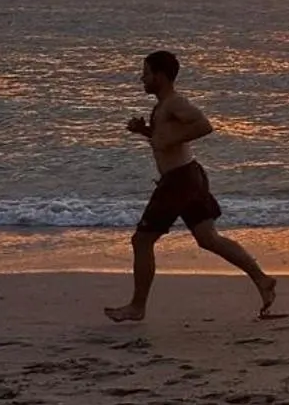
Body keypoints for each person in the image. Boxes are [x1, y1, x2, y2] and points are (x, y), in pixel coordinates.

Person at [105, 50, 277, 323]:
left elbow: (203, 125)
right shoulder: (162, 107)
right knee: (208, 238)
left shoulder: (174, 102)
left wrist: (167, 139)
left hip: (179, 181)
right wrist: (146, 132)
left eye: (146, 73)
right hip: (190, 176)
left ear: (160, 76)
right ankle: (262, 279)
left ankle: (137, 307)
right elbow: (166, 137)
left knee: (142, 240)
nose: (142, 78)